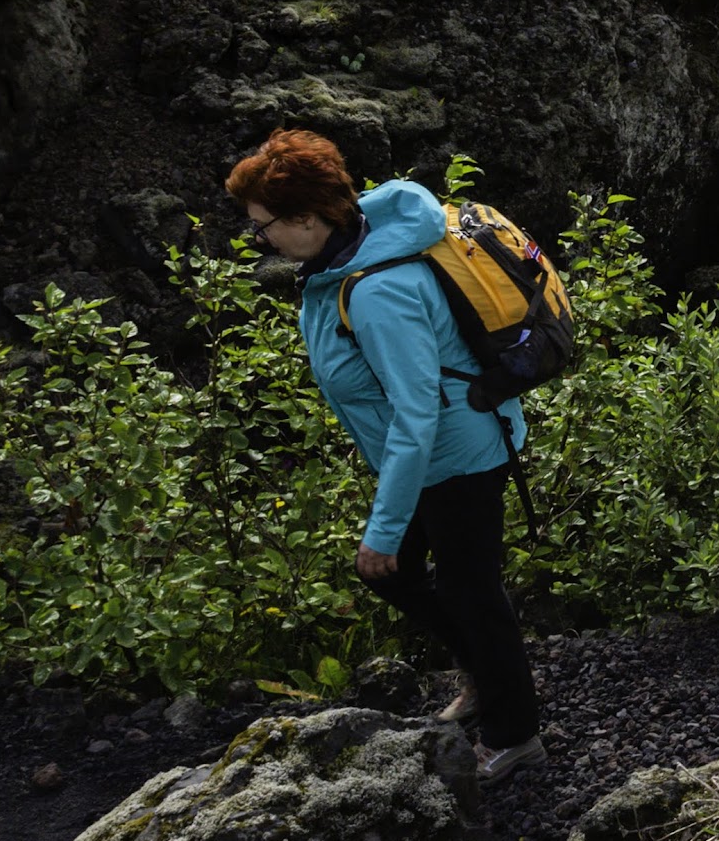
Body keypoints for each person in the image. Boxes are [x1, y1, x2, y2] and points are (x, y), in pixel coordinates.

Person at [224, 128, 546, 783]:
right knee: (398, 574)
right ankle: (486, 680)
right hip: (435, 453)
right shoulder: (350, 249)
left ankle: (514, 735)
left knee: (468, 590)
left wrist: (384, 526)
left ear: (307, 219)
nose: (257, 241)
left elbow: (416, 413)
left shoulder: (377, 291)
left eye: (262, 229)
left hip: (458, 455)